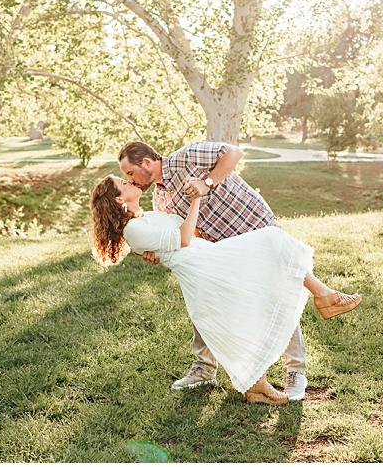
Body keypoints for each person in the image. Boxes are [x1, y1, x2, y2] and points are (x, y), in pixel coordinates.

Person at [115, 140, 359, 401]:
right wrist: (157, 251)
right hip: (220, 246)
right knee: (224, 303)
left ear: (147, 163)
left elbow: (233, 152)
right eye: (126, 178)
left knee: (278, 291)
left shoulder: (186, 157)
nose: (131, 179)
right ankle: (212, 369)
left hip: (250, 223)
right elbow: (183, 233)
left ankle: (295, 370)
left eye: (130, 173)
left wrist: (206, 183)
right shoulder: (159, 198)